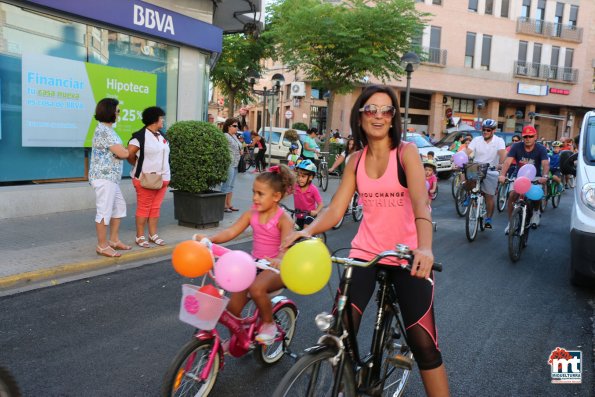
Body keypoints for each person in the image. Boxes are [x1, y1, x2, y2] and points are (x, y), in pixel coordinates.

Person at [283, 85, 450, 396]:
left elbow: (420, 204)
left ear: (393, 119)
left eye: (386, 110)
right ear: (360, 117)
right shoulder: (355, 160)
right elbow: (335, 209)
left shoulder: (406, 154)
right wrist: (307, 231)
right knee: (339, 333)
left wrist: (424, 247)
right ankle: (350, 385)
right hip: (365, 254)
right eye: (371, 109)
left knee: (423, 343)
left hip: (406, 256)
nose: (378, 116)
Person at [193, 164, 295, 345]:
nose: (255, 197)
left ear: (276, 197)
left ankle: (268, 324)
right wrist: (211, 239)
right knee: (232, 309)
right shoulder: (251, 213)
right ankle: (239, 338)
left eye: (260, 194)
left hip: (277, 269)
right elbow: (232, 231)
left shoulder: (283, 219)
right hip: (254, 265)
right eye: (253, 192)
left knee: (256, 288)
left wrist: (279, 260)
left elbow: (286, 248)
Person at [88, 98, 130, 257]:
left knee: (119, 207)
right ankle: (102, 245)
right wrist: (125, 152)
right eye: (117, 111)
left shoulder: (108, 130)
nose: (119, 114)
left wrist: (121, 153)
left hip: (111, 178)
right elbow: (123, 153)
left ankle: (113, 240)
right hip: (104, 177)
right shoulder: (104, 131)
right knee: (104, 211)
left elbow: (118, 152)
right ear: (110, 112)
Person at [127, 106, 170, 248]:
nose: (162, 120)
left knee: (155, 208)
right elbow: (129, 154)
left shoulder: (161, 135)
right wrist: (137, 165)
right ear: (154, 119)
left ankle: (153, 235)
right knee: (144, 208)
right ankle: (139, 236)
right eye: (161, 118)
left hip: (163, 178)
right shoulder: (139, 137)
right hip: (146, 179)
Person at [499, 125, 549, 232]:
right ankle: (511, 223)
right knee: (512, 195)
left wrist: (544, 176)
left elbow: (545, 164)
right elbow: (507, 162)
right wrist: (502, 174)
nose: (528, 139)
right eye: (525, 137)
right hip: (519, 176)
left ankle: (535, 212)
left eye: (530, 136)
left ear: (535, 137)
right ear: (522, 137)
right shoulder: (516, 146)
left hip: (535, 176)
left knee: (537, 194)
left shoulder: (541, 149)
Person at [465, 119, 506, 229]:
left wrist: (501, 164)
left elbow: (503, 153)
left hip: (491, 169)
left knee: (489, 196)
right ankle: (470, 197)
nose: (485, 132)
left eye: (488, 130)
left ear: (493, 131)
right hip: (477, 167)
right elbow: (468, 151)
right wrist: (458, 157)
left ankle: (488, 219)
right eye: (484, 130)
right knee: (468, 179)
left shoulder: (499, 140)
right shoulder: (477, 139)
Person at [293, 159, 324, 229]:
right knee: (294, 233)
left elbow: (321, 204)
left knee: (305, 231)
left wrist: (316, 211)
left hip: (309, 216)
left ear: (310, 177)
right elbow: (286, 192)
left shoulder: (313, 189)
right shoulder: (295, 187)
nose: (300, 179)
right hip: (299, 216)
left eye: (303, 176)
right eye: (298, 176)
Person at [220, 118, 243, 212]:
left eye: (237, 126)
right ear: (228, 126)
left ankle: (229, 204)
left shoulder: (234, 136)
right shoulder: (225, 136)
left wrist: (241, 150)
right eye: (234, 126)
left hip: (235, 163)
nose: (236, 128)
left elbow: (239, 146)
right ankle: (223, 205)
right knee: (226, 184)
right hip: (229, 163)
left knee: (231, 185)